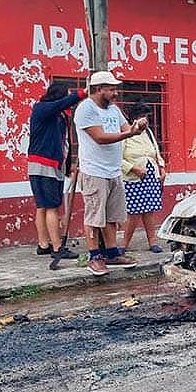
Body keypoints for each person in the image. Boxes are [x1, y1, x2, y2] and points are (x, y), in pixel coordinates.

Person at [73, 71, 148, 276]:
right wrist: (129, 133)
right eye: (111, 89)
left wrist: (138, 126)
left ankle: (112, 253)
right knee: (94, 216)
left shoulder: (114, 109)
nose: (115, 93)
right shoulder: (86, 109)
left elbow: (127, 128)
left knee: (112, 216)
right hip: (94, 171)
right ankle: (94, 256)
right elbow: (100, 137)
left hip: (114, 171)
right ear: (99, 89)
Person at [27, 82, 86, 269]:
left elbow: (64, 142)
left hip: (45, 164)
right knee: (51, 207)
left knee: (43, 206)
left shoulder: (58, 115)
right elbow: (61, 104)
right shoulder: (42, 108)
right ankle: (57, 247)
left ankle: (44, 244)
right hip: (45, 164)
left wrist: (67, 166)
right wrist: (82, 93)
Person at [121, 102, 166, 254]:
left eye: (146, 117)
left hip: (150, 176)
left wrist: (162, 168)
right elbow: (117, 159)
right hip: (133, 178)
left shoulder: (149, 133)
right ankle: (124, 245)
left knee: (149, 211)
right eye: (142, 116)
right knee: (133, 212)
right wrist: (133, 168)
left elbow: (156, 152)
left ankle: (152, 242)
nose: (145, 120)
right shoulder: (126, 133)